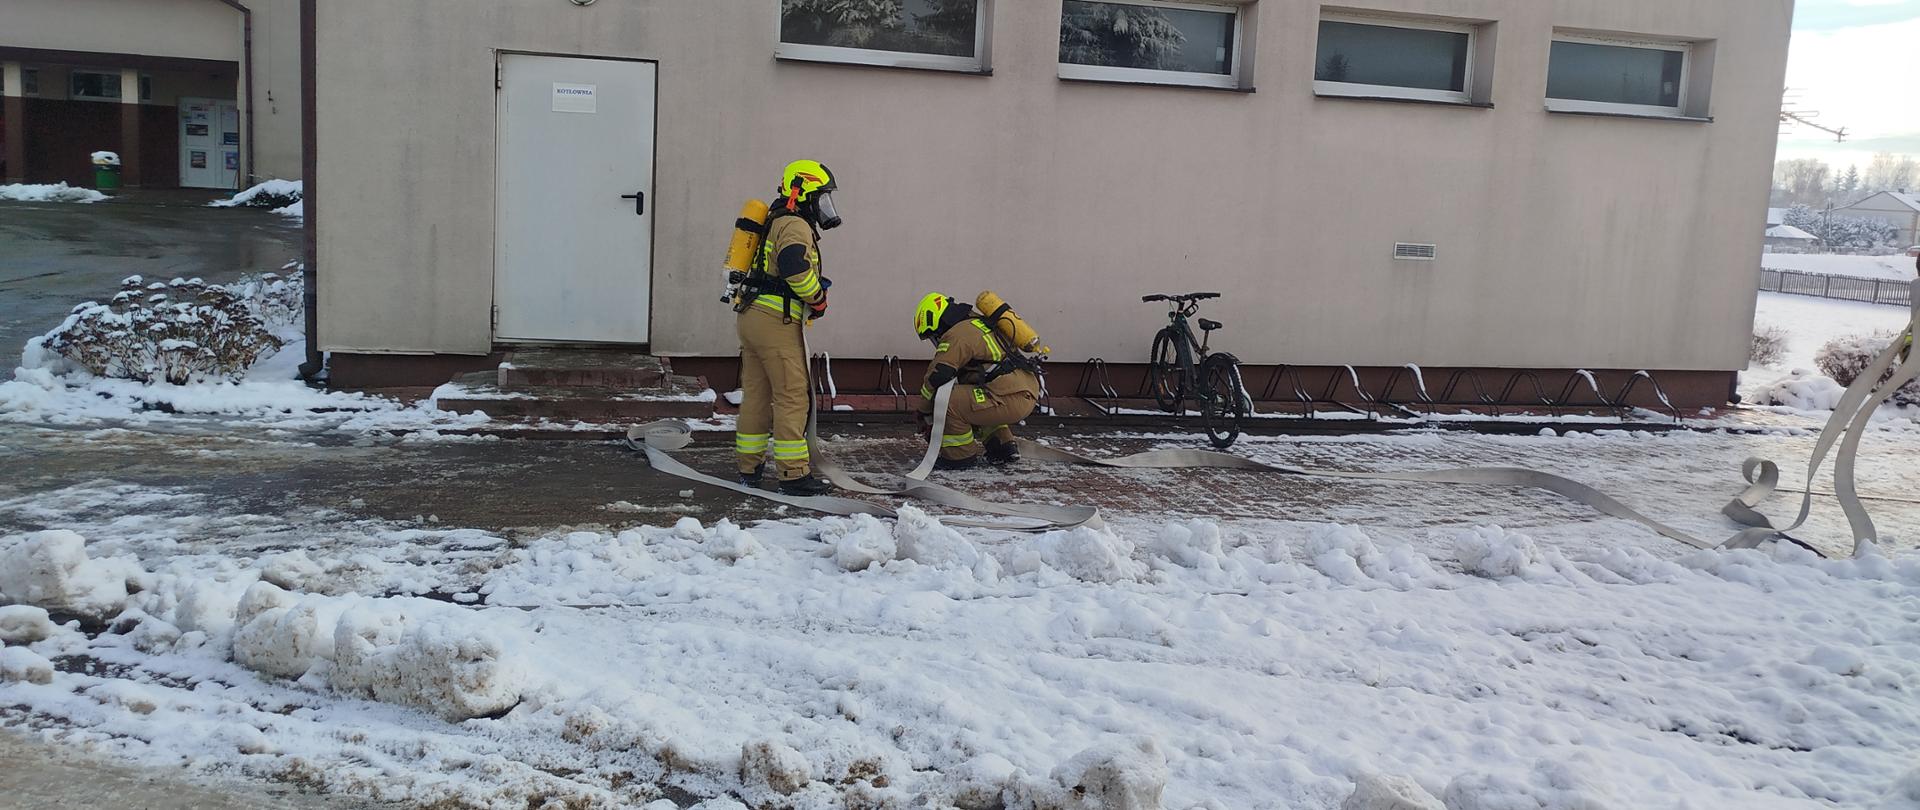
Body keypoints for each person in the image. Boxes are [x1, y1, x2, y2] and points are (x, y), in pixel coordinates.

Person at [734, 160, 842, 495]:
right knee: (792, 396)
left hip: (752, 316)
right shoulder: (795, 224)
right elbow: (795, 268)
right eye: (822, 197)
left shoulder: (772, 221)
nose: (825, 206)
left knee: (756, 395)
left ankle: (748, 468)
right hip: (776, 322)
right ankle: (794, 475)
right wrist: (818, 297)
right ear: (804, 192)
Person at [911, 292, 1041, 470]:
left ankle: (959, 457)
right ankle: (1002, 447)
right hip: (1023, 391)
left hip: (1009, 397)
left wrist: (923, 411)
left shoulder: (958, 334)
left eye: (933, 335)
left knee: (949, 400)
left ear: (938, 323)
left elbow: (938, 374)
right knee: (975, 398)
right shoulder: (980, 323)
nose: (936, 340)